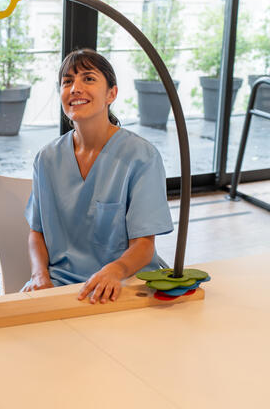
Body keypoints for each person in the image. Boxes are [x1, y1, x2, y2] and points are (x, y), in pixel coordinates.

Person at [23, 48, 173, 304]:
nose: (75, 88)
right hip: (59, 284)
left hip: (125, 280)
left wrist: (115, 270)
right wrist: (39, 276)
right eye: (67, 81)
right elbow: (37, 233)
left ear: (111, 94)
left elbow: (144, 245)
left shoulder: (141, 157)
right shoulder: (46, 159)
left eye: (88, 79)